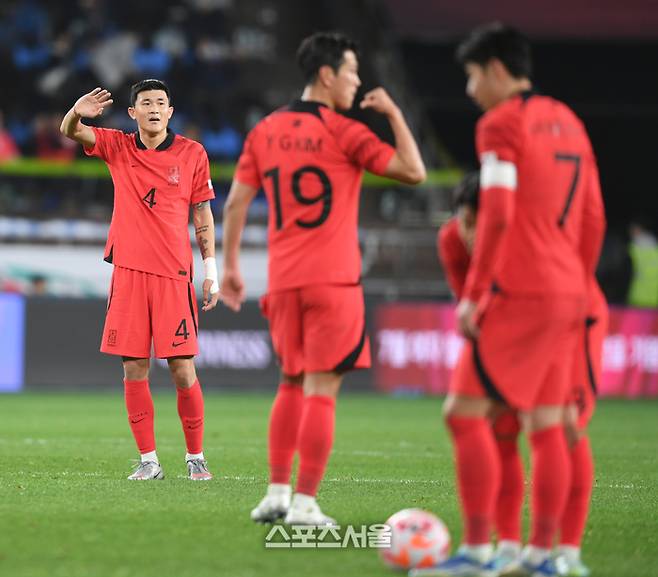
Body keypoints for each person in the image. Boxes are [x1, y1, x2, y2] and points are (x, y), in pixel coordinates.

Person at [416, 23, 606, 577]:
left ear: (497, 69)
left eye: (473, 76)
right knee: (548, 425)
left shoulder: (501, 123)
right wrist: (576, 281)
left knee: (463, 414)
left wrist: (477, 294)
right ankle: (545, 557)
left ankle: (477, 553)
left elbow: (497, 212)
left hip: (520, 290)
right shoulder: (570, 122)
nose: (471, 90)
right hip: (571, 289)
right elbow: (593, 215)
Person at [220, 31, 426, 525]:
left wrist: (228, 267)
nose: (356, 81)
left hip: (284, 280)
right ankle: (306, 504)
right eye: (352, 70)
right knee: (321, 388)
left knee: (290, 384)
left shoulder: (264, 130)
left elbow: (233, 203)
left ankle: (275, 494)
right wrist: (395, 114)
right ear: (327, 74)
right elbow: (414, 171)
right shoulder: (345, 131)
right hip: (333, 280)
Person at [437, 173, 608, 577]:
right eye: (466, 221)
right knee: (501, 425)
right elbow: (472, 307)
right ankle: (509, 549)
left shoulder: (526, 240)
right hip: (508, 318)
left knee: (565, 427)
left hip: (574, 318)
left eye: (479, 221)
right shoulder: (451, 241)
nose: (471, 233)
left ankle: (565, 555)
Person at [60, 79, 219, 481]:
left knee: (182, 367)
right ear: (133, 113)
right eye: (145, 103)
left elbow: (202, 214)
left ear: (170, 111)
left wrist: (211, 272)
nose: (153, 108)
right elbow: (70, 131)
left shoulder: (192, 153)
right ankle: (149, 460)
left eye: (160, 103)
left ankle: (195, 457)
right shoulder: (118, 146)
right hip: (129, 272)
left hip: (173, 273)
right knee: (134, 368)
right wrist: (77, 110)